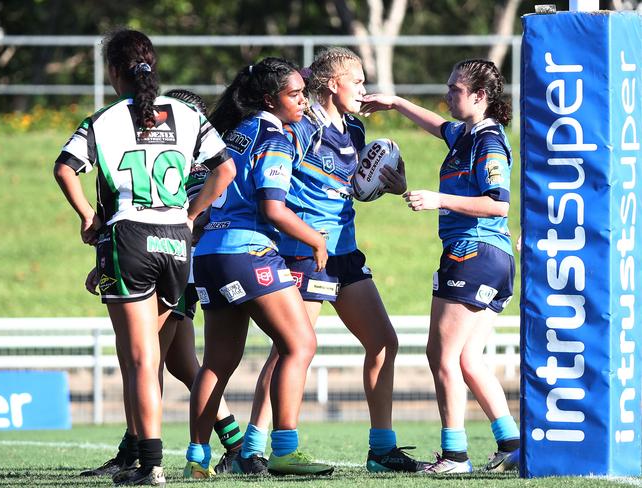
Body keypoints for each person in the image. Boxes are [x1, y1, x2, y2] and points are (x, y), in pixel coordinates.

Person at [233, 47, 429, 475]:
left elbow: (353, 186)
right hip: (305, 252)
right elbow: (273, 180)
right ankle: (252, 449)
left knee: (383, 342)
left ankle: (382, 450)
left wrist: (390, 186)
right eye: (357, 82)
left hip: (344, 252)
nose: (363, 90)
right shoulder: (301, 128)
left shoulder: (356, 130)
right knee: (290, 351)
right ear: (333, 84)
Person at [53, 29, 236, 486]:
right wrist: (191, 213)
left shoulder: (104, 119)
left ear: (115, 72)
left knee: (138, 359)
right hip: (177, 241)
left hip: (129, 236)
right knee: (156, 355)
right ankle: (143, 455)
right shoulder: (189, 114)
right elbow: (225, 169)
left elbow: (64, 167)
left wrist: (87, 215)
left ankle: (149, 464)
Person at [361, 58, 520, 474]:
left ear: (481, 96)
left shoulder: (487, 141)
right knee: (469, 359)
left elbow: (497, 203)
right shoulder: (466, 135)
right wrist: (394, 103)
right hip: (490, 258)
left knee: (441, 356)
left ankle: (455, 455)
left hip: (474, 253)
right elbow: (436, 125)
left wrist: (438, 199)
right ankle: (512, 443)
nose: (448, 95)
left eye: (456, 90)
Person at [183, 57, 334, 478]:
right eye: (295, 95)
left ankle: (196, 460)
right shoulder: (274, 137)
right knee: (300, 345)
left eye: (304, 94)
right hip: (248, 252)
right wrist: (316, 238)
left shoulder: (237, 132)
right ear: (270, 98)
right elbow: (273, 207)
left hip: (211, 253)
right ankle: (285, 449)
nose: (303, 102)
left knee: (217, 362)